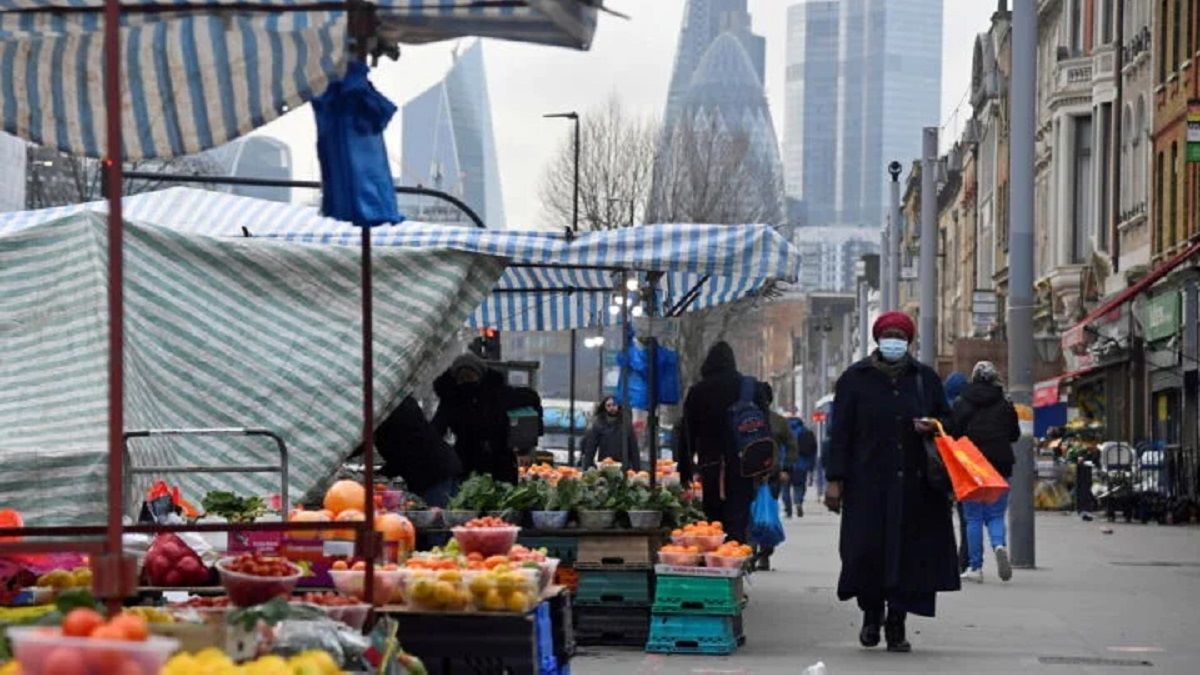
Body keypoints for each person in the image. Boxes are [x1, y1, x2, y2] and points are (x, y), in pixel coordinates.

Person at [824, 311, 961, 653]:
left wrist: (933, 425)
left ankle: (897, 623)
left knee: (910, 558)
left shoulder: (925, 378)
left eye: (900, 336)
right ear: (878, 339)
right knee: (866, 553)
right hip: (867, 485)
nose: (894, 341)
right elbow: (839, 433)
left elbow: (949, 421)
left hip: (916, 487)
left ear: (909, 341)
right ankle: (871, 616)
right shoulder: (855, 379)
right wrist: (835, 479)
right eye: (889, 335)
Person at [952, 361, 1020, 584]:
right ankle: (999, 545)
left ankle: (975, 567)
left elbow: (954, 433)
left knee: (973, 517)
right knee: (996, 515)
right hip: (1000, 464)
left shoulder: (962, 401)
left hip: (971, 464)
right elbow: (1014, 434)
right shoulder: (1005, 403)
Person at [682, 342, 755, 543]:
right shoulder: (747, 387)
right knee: (739, 518)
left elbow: (686, 434)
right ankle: (737, 552)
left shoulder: (698, 392)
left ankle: (716, 554)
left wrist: (685, 471)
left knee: (713, 520)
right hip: (743, 466)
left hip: (710, 465)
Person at [432, 353, 533, 485]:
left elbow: (522, 415)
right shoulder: (451, 400)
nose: (466, 382)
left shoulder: (498, 395)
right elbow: (437, 429)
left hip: (500, 461)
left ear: (479, 375)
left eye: (469, 376)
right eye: (462, 378)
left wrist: (524, 449)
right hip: (467, 461)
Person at [373, 396, 462, 507]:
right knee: (451, 513)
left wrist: (382, 473)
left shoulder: (388, 418)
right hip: (443, 465)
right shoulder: (398, 402)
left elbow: (404, 452)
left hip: (430, 475)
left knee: (437, 515)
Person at [753, 383, 798, 571]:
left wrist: (787, 468)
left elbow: (791, 444)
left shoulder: (777, 421)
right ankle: (755, 552)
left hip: (769, 475)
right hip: (754, 475)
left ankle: (762, 553)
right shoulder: (748, 420)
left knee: (765, 515)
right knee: (756, 515)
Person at [943, 371, 971, 573]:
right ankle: (965, 560)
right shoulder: (969, 409)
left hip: (943, 469)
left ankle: (944, 559)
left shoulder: (943, 409)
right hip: (965, 468)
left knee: (941, 517)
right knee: (967, 519)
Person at [580, 396, 641, 471]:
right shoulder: (599, 424)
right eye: (608, 405)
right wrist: (588, 466)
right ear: (604, 407)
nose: (611, 408)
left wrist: (636, 469)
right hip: (605, 465)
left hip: (623, 466)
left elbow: (633, 447)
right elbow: (591, 447)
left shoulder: (626, 424)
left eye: (614, 405)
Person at [783, 417, 818, 518]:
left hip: (786, 464)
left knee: (785, 488)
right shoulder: (806, 432)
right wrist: (811, 465)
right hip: (801, 465)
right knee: (799, 486)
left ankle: (788, 509)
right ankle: (798, 502)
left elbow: (779, 449)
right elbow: (812, 450)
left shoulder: (784, 431)